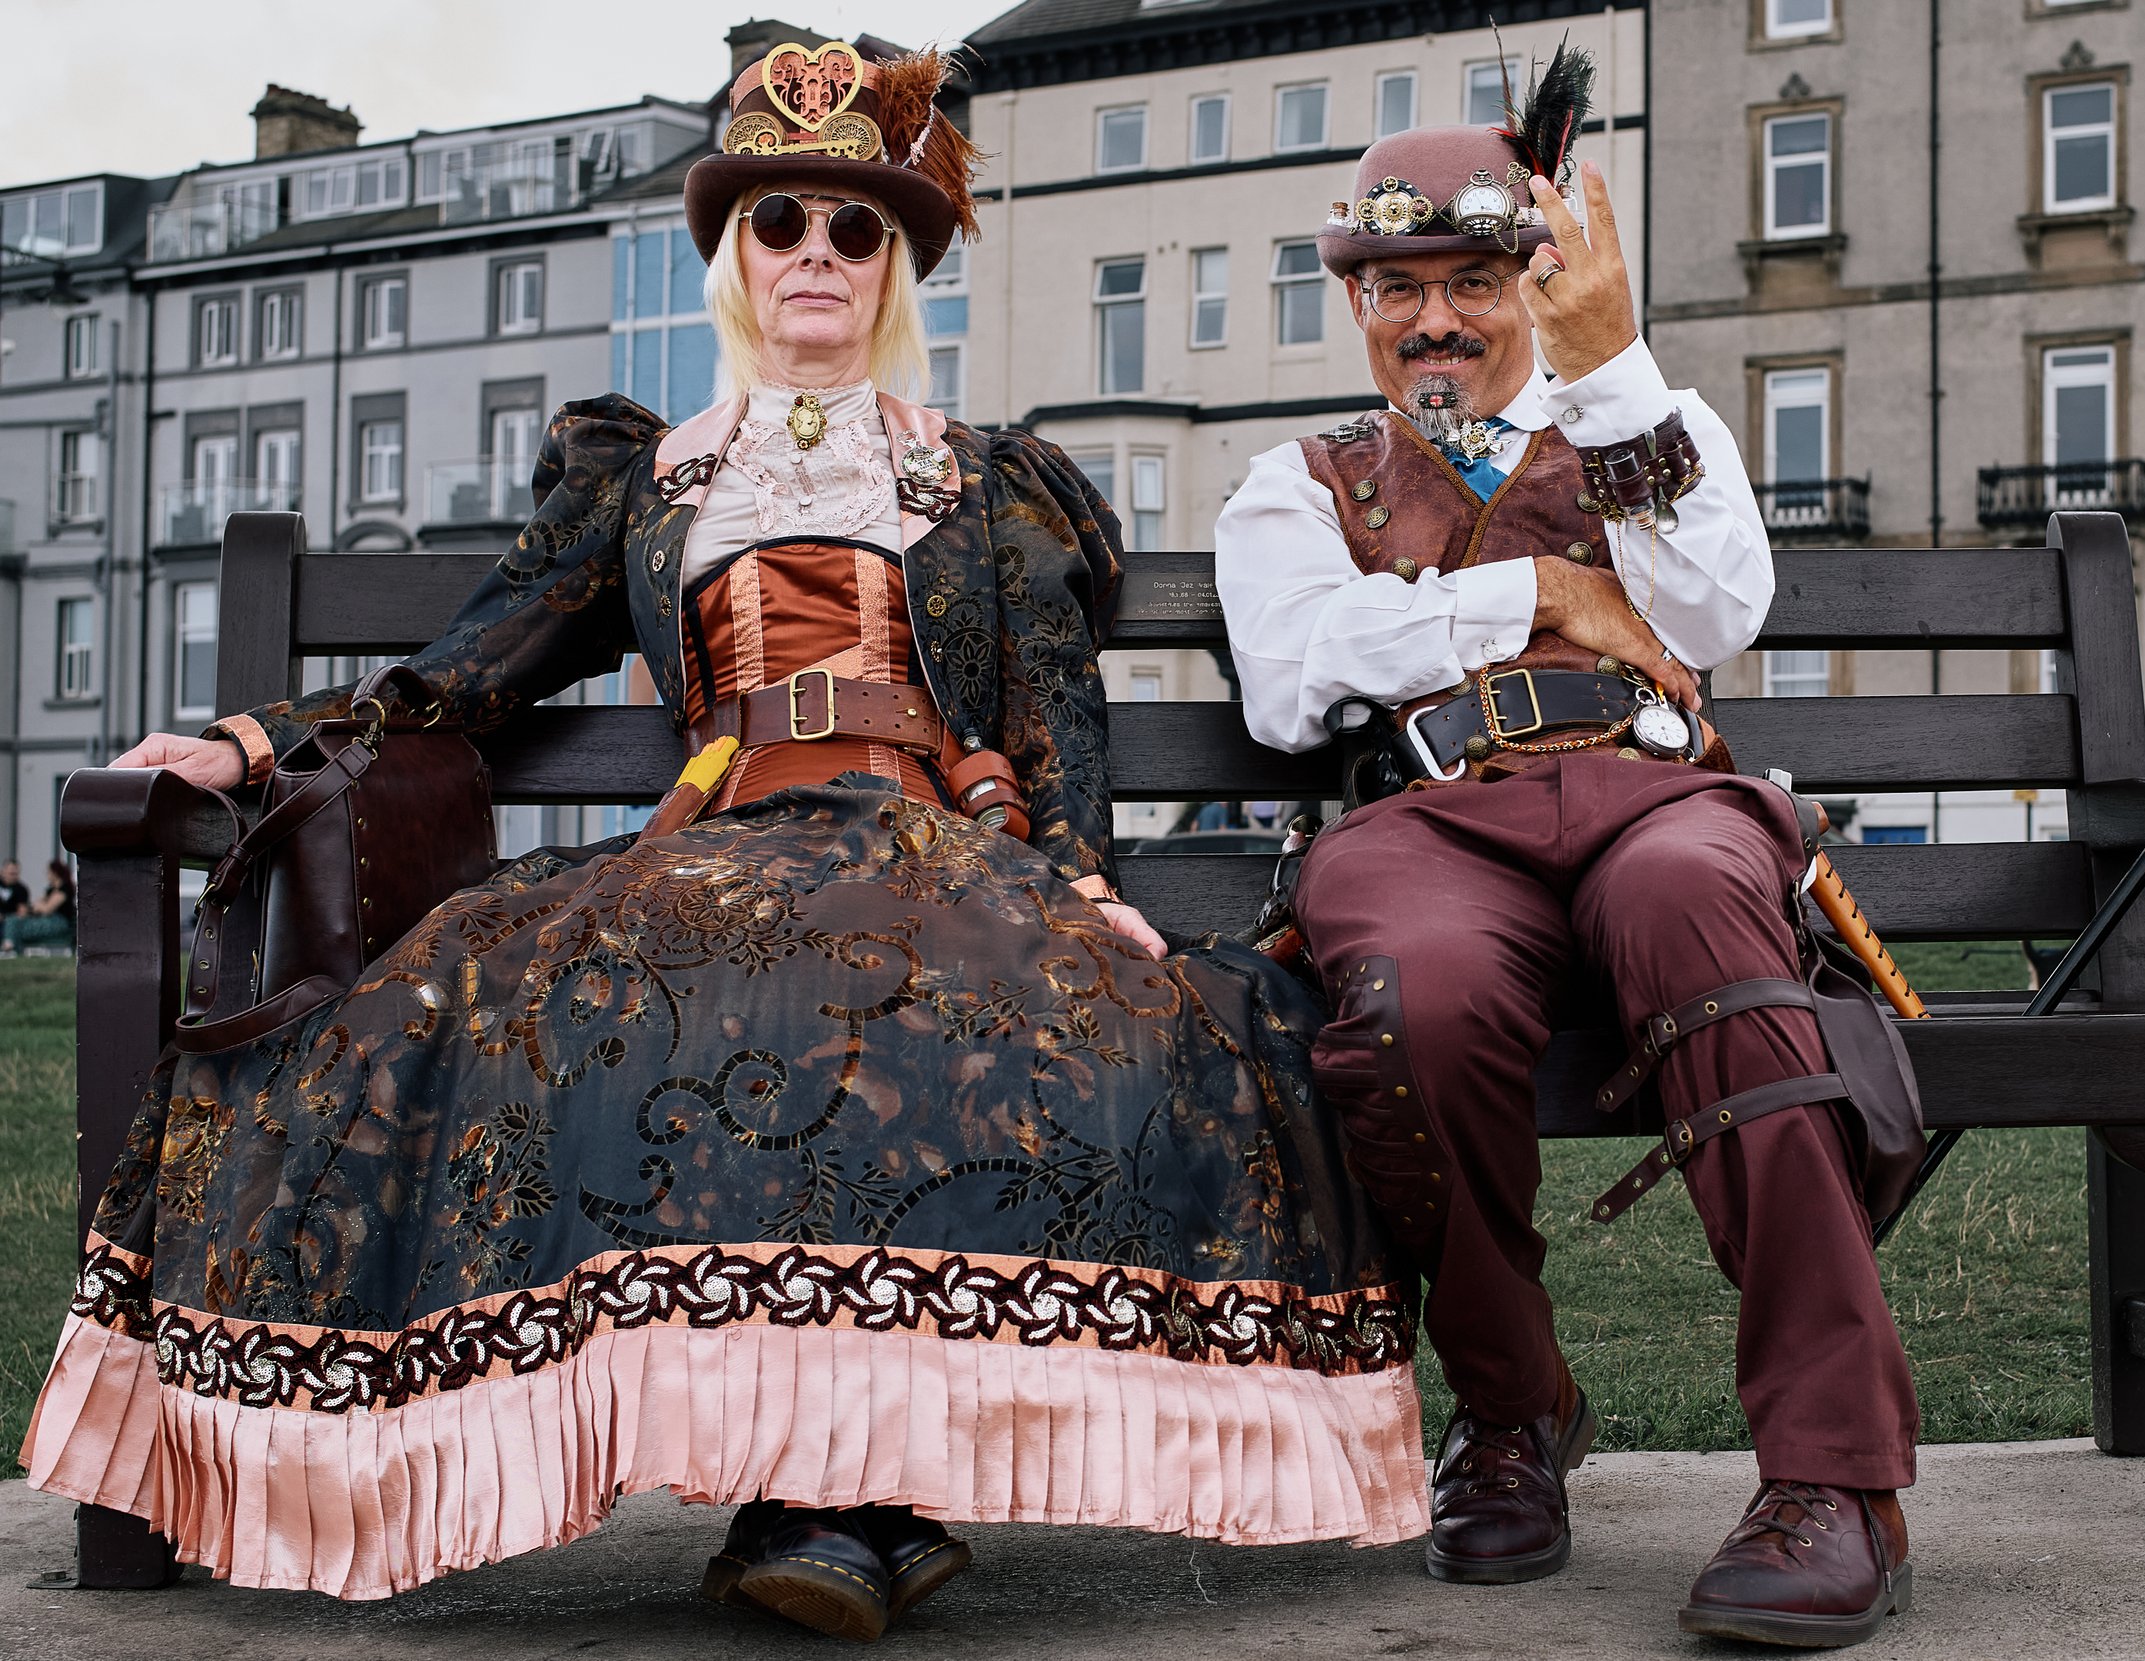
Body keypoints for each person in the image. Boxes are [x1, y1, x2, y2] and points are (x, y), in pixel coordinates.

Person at [22, 41, 1424, 1635]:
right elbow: (472, 666)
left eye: (852, 229)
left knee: (924, 1012)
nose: (815, 256)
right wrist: (258, 737)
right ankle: (852, 1505)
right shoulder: (655, 479)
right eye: (781, 225)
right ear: (732, 257)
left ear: (894, 265)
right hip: (719, 840)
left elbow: (1050, 713)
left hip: (929, 845)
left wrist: (1087, 882)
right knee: (613, 1007)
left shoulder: (978, 479)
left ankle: (835, 1498)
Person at [1214, 49, 1918, 1650]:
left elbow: (1719, 608)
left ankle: (1835, 1476)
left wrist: (1611, 370)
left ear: (1535, 283)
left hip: (1651, 798)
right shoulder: (1301, 480)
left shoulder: (1635, 422)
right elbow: (1288, 675)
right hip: (1433, 824)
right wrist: (1533, 599)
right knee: (1411, 997)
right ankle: (1515, 1413)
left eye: (1473, 279)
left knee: (1695, 905)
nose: (1437, 319)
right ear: (1358, 307)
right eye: (1399, 288)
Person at [0, 860, 71, 954]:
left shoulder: (64, 889)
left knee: (13, 922)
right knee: (13, 922)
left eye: (49, 872)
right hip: (45, 919)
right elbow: (36, 905)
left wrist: (41, 906)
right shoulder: (50, 890)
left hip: (56, 922)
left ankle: (9, 948)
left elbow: (47, 909)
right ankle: (11, 948)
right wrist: (41, 906)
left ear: (55, 873)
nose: (47, 874)